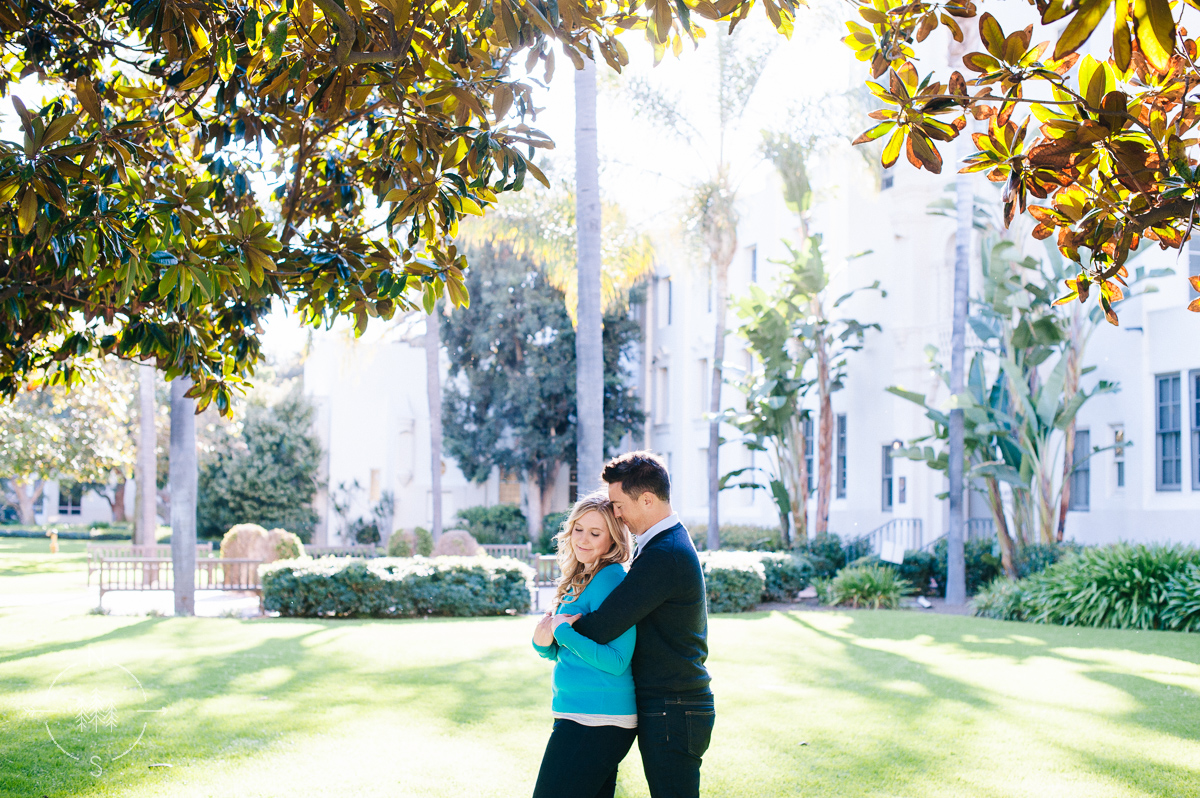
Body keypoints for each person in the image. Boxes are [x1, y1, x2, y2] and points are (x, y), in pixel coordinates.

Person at [552, 451, 713, 798]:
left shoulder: (664, 554)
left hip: (674, 705)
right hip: (671, 704)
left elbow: (604, 626)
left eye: (619, 504)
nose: (616, 514)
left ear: (647, 499)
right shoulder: (660, 545)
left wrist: (556, 631)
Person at [531, 492, 637, 798]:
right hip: (581, 715)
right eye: (578, 529)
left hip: (597, 719)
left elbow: (617, 660)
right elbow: (569, 650)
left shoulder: (610, 578)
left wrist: (562, 632)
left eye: (595, 533)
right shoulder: (583, 576)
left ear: (613, 540)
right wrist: (543, 643)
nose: (583, 540)